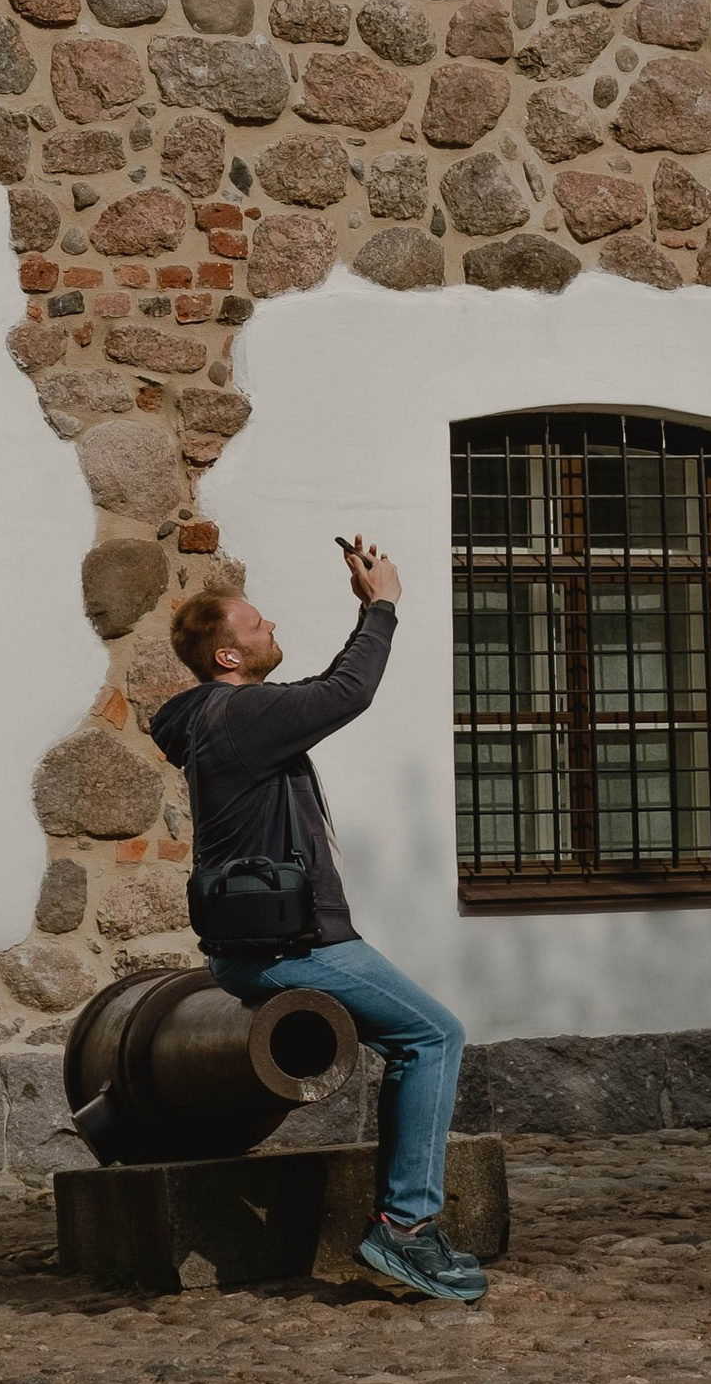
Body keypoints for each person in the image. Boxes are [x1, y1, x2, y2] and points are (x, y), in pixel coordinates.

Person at [152, 537, 482, 1305]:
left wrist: (366, 611)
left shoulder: (218, 717)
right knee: (433, 1034)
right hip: (289, 947)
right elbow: (345, 692)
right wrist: (385, 605)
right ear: (228, 656)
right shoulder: (239, 715)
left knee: (419, 1037)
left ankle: (407, 1222)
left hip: (253, 942)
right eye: (257, 624)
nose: (271, 626)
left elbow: (323, 689)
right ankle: (405, 1229)